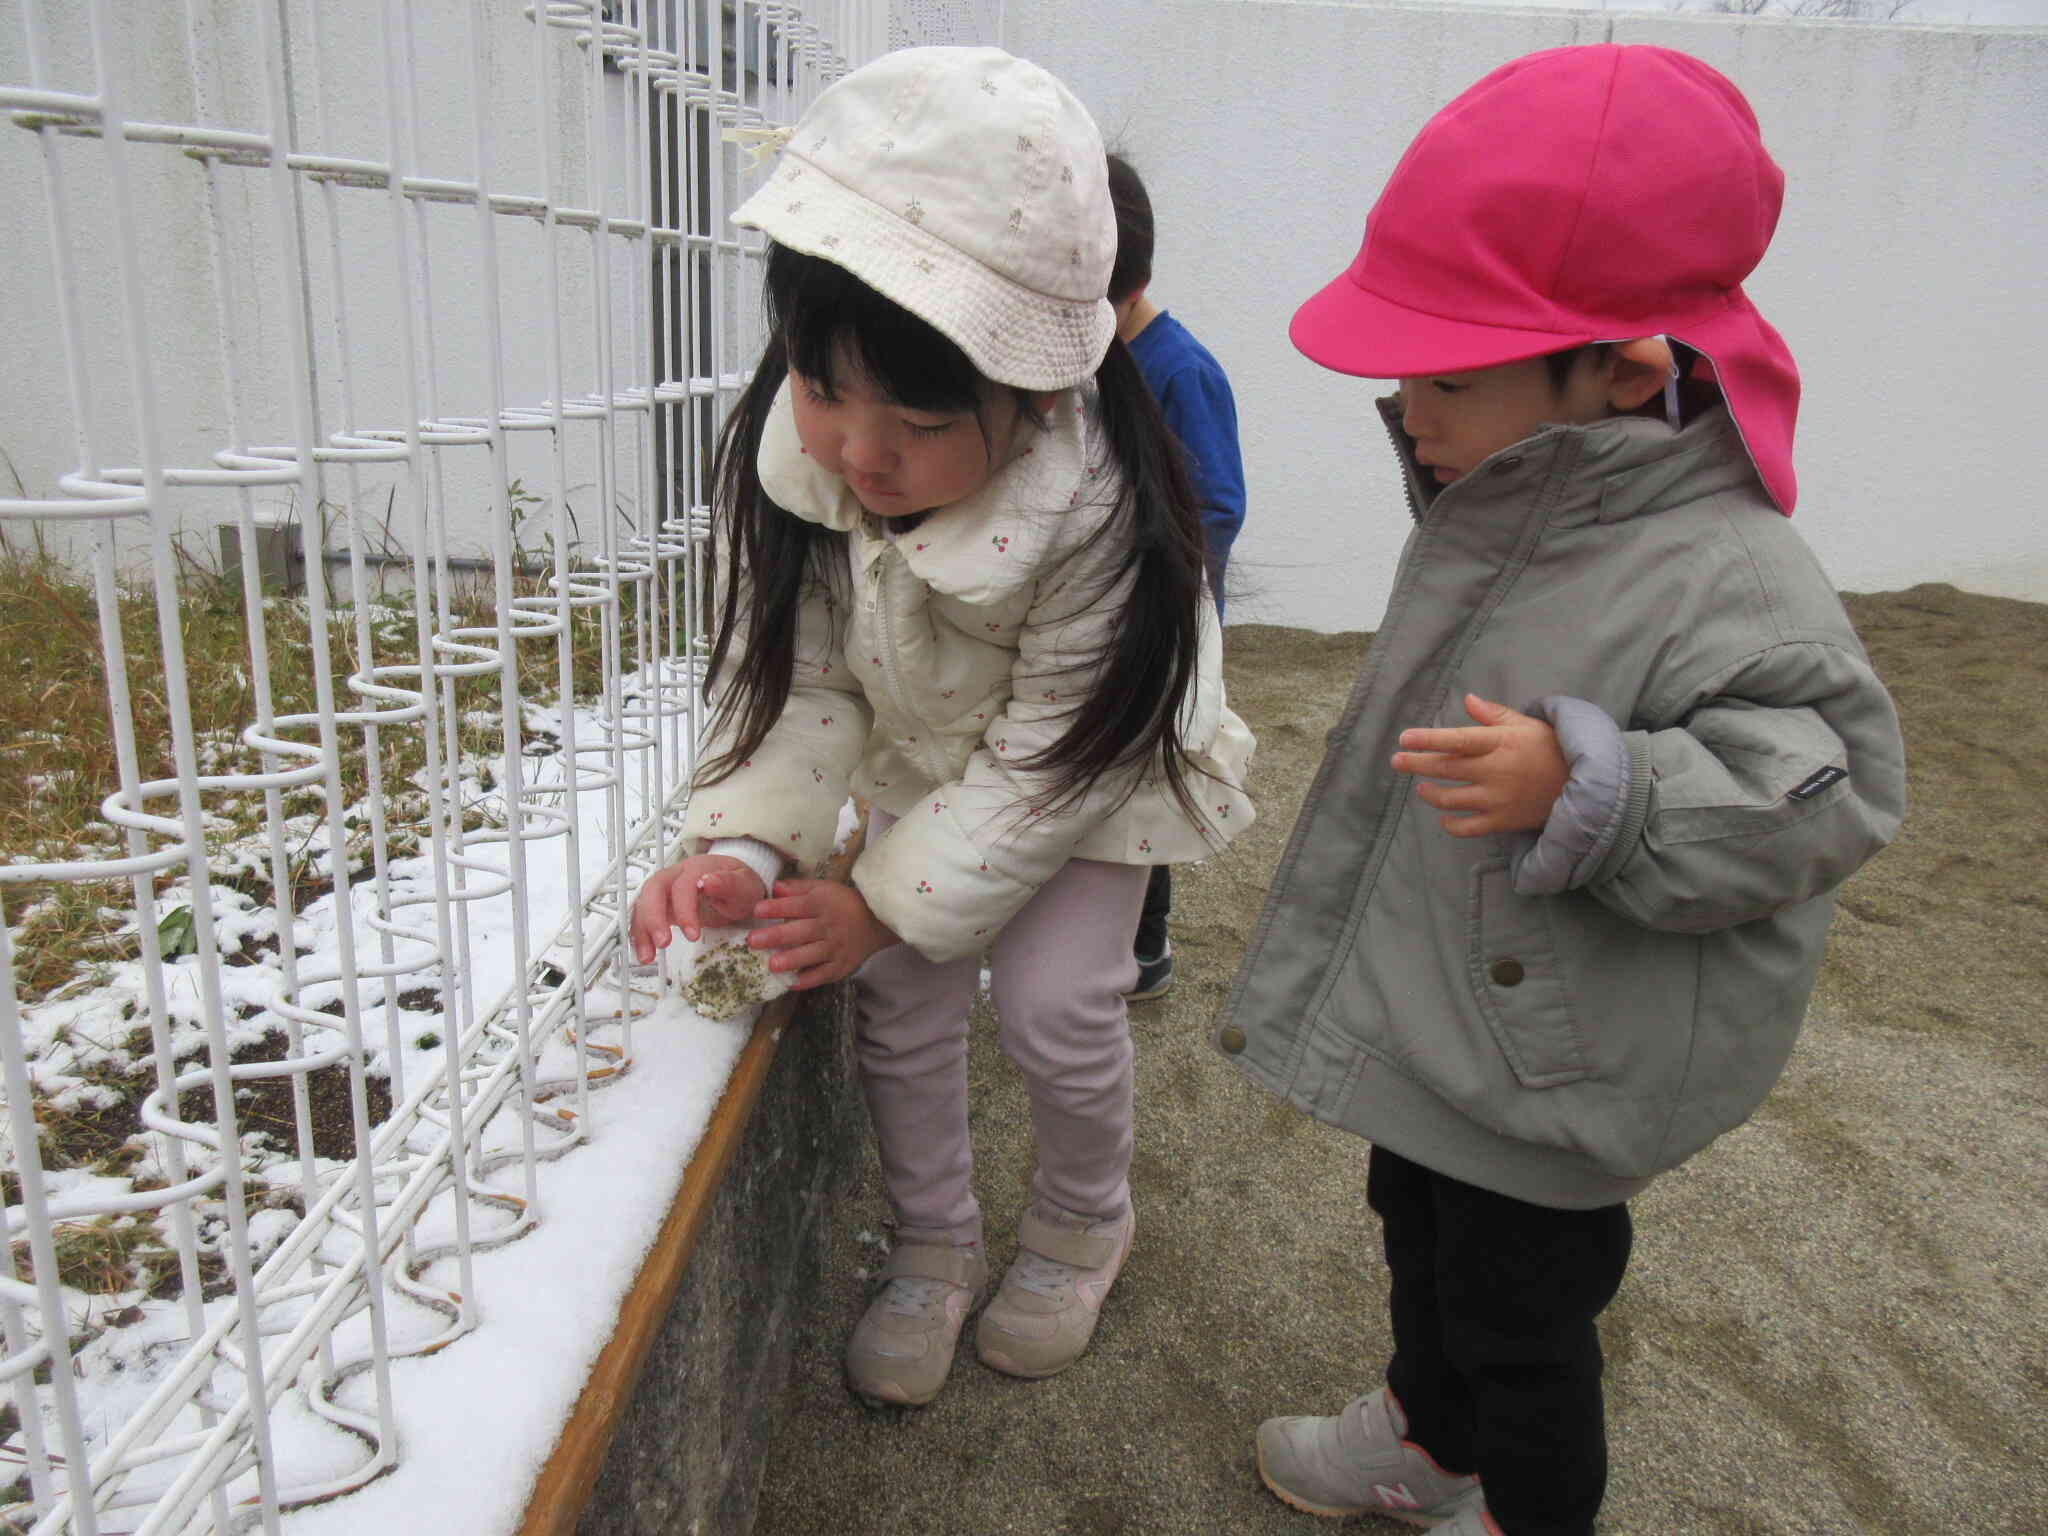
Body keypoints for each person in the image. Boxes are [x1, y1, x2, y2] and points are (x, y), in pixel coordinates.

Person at [1218, 45, 1905, 1536]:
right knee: (1417, 1223)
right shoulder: (1513, 497)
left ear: (1624, 370)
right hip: (1456, 1007)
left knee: (1526, 1316)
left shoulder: (1730, 569)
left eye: (1449, 376)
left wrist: (1603, 782)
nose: (1407, 410)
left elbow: (1829, 790)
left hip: (1558, 1046)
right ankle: (1425, 1438)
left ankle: (1523, 1504)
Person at [627, 45, 1255, 1410]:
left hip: (1089, 766)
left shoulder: (1094, 514)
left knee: (1052, 1004)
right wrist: (741, 849)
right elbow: (802, 684)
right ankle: (933, 1246)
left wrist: (889, 898)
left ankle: (1085, 1223)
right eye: (823, 386)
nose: (860, 451)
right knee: (895, 998)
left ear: (1037, 393)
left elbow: (1047, 755)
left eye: (916, 419)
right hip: (936, 749)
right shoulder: (802, 459)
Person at [1103, 151, 1249, 1002]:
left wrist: (1144, 576)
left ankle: (1147, 951)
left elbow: (1219, 506)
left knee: (1147, 790)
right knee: (1108, 780)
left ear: (1127, 282)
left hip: (1158, 618)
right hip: (1110, 616)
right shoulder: (1114, 355)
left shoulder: (1179, 369)